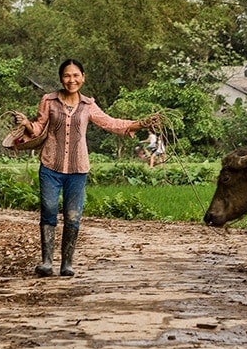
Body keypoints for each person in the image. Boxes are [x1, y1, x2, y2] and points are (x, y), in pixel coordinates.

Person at [19, 59, 158, 277]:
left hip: (77, 168)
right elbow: (38, 128)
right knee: (48, 210)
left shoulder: (88, 105)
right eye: (67, 76)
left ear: (83, 77)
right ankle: (46, 262)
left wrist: (141, 123)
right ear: (61, 78)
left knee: (73, 215)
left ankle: (67, 263)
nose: (71, 80)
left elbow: (111, 123)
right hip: (50, 166)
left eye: (76, 75)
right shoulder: (49, 101)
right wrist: (27, 124)